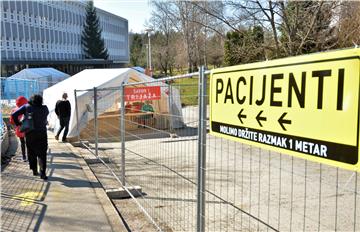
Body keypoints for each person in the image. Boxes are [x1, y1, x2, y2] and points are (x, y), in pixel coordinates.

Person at [12, 94, 49, 180]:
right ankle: (43, 173)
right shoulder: (45, 108)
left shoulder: (26, 107)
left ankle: (34, 170)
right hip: (42, 133)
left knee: (31, 152)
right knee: (42, 153)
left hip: (30, 133)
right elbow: (44, 117)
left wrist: (19, 124)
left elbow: (14, 115)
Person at [9, 96, 28, 162]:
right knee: (29, 142)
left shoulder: (14, 110)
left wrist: (16, 125)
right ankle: (31, 156)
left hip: (19, 129)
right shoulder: (28, 108)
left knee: (22, 143)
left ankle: (24, 157)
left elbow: (11, 121)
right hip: (28, 128)